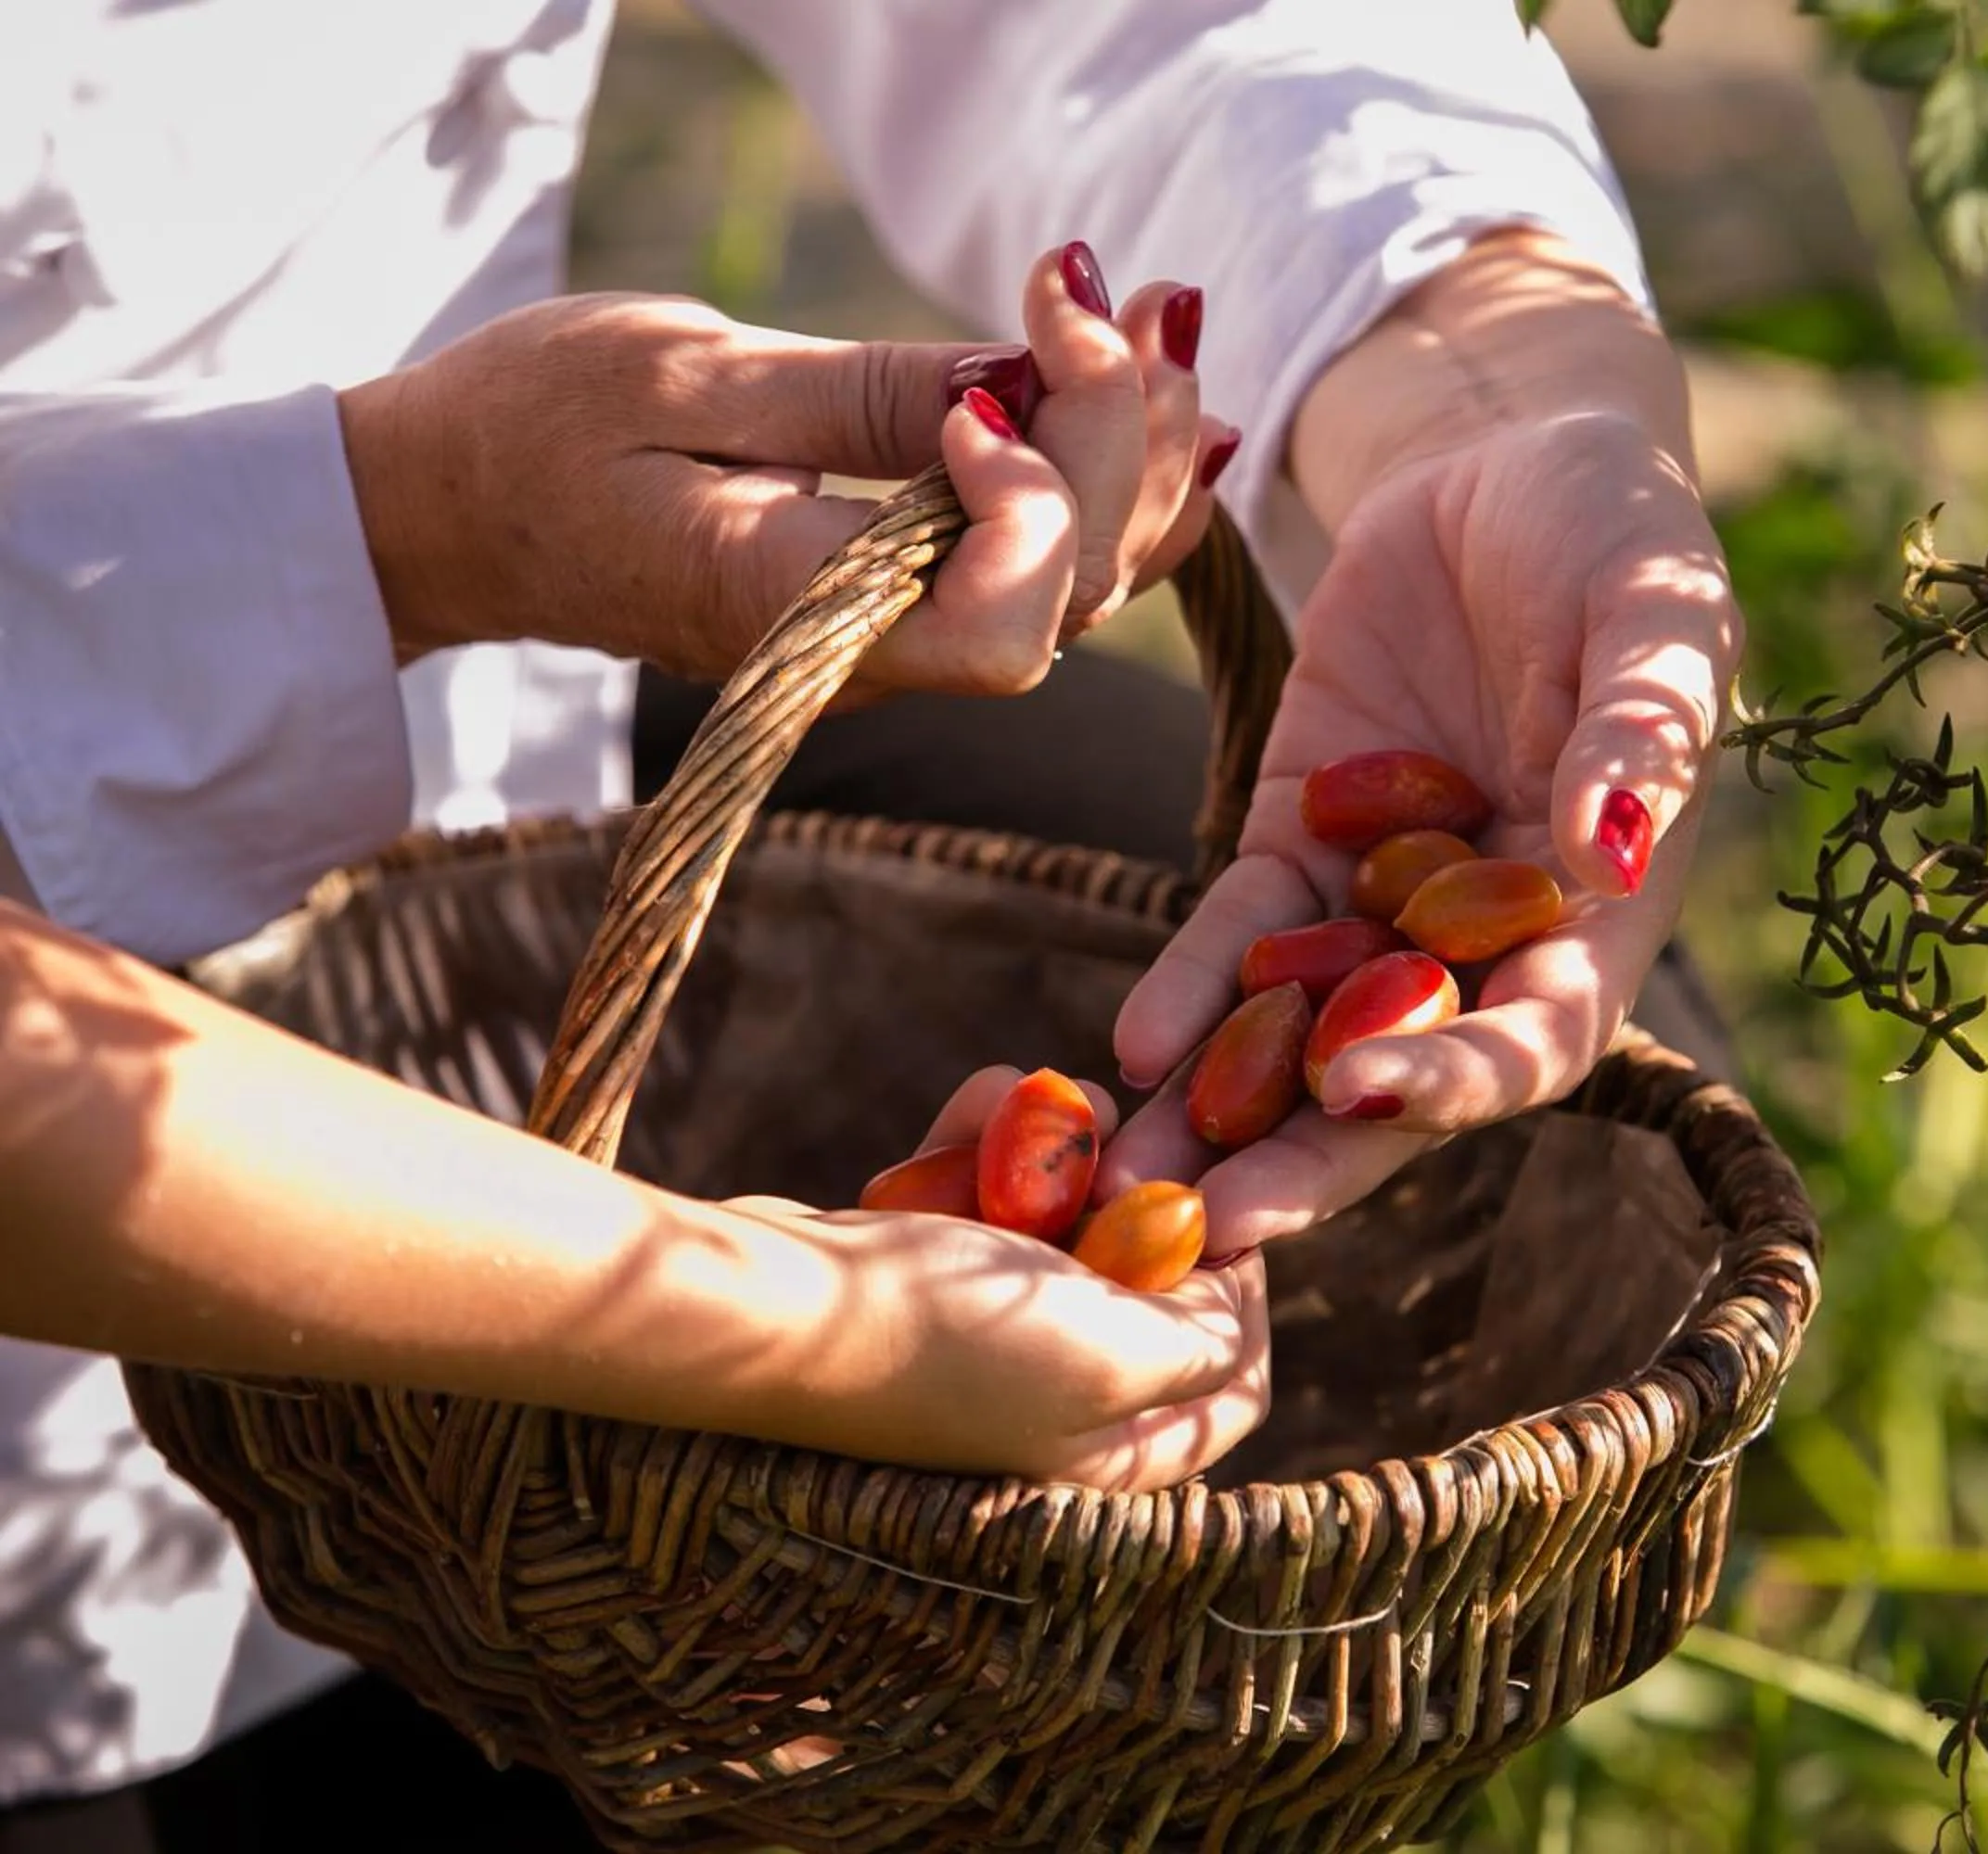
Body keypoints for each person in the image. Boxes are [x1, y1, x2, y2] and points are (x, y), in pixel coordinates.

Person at [0, 2, 1743, 1848]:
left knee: (1567, 1077)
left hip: (443, 792)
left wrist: (1479, 402)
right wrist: (788, 1316)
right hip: (96, 1434)